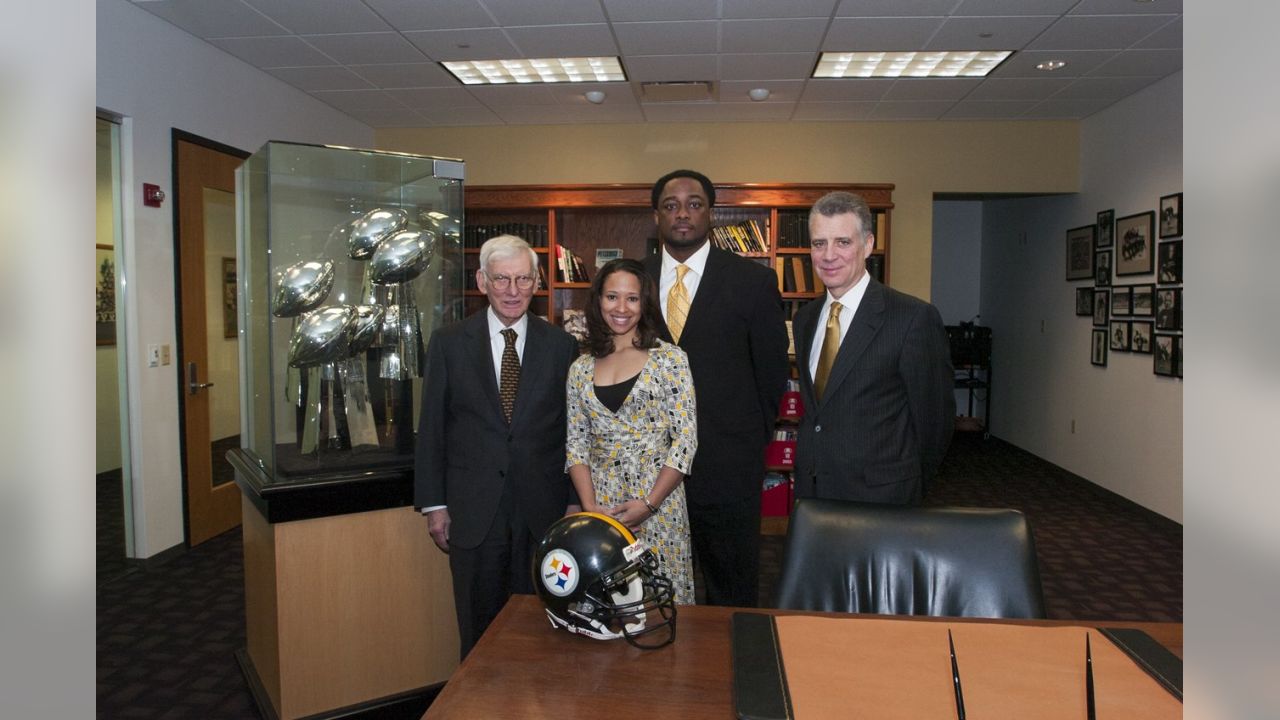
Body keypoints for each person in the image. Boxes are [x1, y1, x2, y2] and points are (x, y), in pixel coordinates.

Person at [414, 234, 580, 658]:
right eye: (501, 279)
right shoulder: (449, 343)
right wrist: (434, 505)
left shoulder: (562, 346)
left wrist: (575, 503)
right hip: (472, 512)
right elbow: (432, 428)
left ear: (538, 281)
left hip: (541, 511)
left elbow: (573, 431)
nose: (512, 291)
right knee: (478, 626)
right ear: (481, 281)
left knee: (541, 630)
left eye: (523, 279)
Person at [644, 169, 789, 608]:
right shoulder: (634, 283)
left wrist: (748, 444)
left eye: (693, 204)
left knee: (732, 589)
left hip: (728, 466)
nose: (682, 214)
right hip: (649, 468)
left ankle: (734, 672)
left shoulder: (753, 281)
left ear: (711, 213)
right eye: (670, 205)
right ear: (656, 216)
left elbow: (771, 374)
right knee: (653, 589)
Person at [793, 191, 955, 505]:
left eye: (843, 242)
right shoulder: (805, 319)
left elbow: (935, 422)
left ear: (868, 245)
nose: (828, 255)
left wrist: (907, 487)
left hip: (881, 499)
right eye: (818, 243)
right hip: (812, 495)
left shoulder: (912, 318)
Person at [565, 258, 697, 604]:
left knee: (661, 603)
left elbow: (685, 441)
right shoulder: (580, 368)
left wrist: (649, 505)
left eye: (632, 299)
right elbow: (576, 443)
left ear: (645, 304)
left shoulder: (670, 359)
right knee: (605, 605)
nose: (621, 308)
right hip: (601, 505)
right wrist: (591, 509)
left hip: (658, 502)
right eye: (612, 297)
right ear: (598, 301)